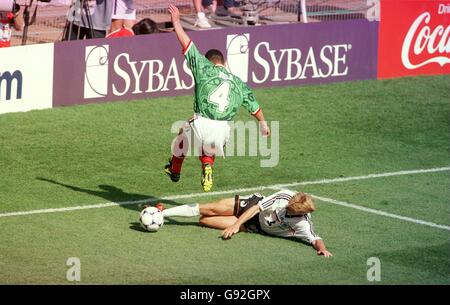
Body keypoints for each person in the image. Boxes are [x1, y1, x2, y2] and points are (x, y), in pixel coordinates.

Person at [165, 4, 270, 192]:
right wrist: (264, 124)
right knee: (208, 145)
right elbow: (254, 106)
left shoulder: (203, 68)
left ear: (209, 61)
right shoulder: (238, 82)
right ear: (224, 62)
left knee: (182, 135)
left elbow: (186, 43)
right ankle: (207, 166)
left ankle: (174, 170)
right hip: (223, 131)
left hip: (201, 123)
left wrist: (176, 22)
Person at [156, 190, 333, 257]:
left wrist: (322, 249)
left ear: (298, 211)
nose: (288, 203)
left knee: (204, 221)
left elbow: (315, 238)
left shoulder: (302, 223)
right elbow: (256, 207)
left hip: (252, 225)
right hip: (250, 206)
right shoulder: (284, 196)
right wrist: (234, 225)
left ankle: (164, 213)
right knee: (210, 208)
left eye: (291, 206)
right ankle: (162, 213)